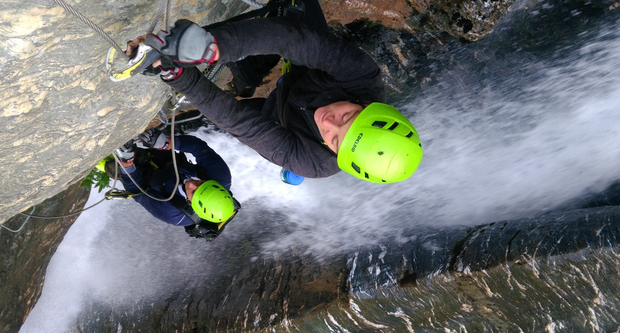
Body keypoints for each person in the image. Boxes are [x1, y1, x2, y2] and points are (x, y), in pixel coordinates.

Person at [127, 0, 423, 184]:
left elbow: (242, 123)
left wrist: (178, 76)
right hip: (304, 73)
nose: (327, 121)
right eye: (346, 118)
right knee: (292, 13)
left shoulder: (312, 162)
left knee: (239, 112)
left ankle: (245, 80)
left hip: (279, 121)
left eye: (334, 140)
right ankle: (246, 74)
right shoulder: (363, 76)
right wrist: (215, 46)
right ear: (368, 103)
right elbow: (294, 42)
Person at [105, 128, 240, 241]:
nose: (192, 184)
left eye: (193, 192)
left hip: (148, 181)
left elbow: (137, 192)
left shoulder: (174, 214)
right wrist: (168, 143)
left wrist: (127, 164)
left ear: (192, 205)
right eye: (201, 183)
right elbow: (198, 147)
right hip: (173, 163)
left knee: (112, 166)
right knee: (148, 136)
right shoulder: (221, 176)